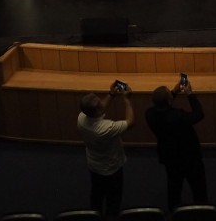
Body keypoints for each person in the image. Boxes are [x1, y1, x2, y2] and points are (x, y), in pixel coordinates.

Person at [145, 78, 207, 211]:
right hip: (190, 157)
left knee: (174, 186)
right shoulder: (179, 116)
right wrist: (190, 94)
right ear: (169, 101)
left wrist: (173, 92)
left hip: (169, 157)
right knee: (198, 187)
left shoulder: (150, 114)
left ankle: (174, 211)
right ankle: (203, 211)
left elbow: (162, 104)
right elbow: (199, 114)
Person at [77, 81, 134, 221]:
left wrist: (111, 95)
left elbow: (98, 109)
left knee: (96, 193)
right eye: (99, 102)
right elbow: (130, 122)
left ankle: (95, 215)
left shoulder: (82, 117)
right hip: (111, 168)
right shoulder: (105, 129)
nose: (102, 103)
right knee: (113, 198)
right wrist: (126, 100)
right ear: (97, 110)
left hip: (93, 164)